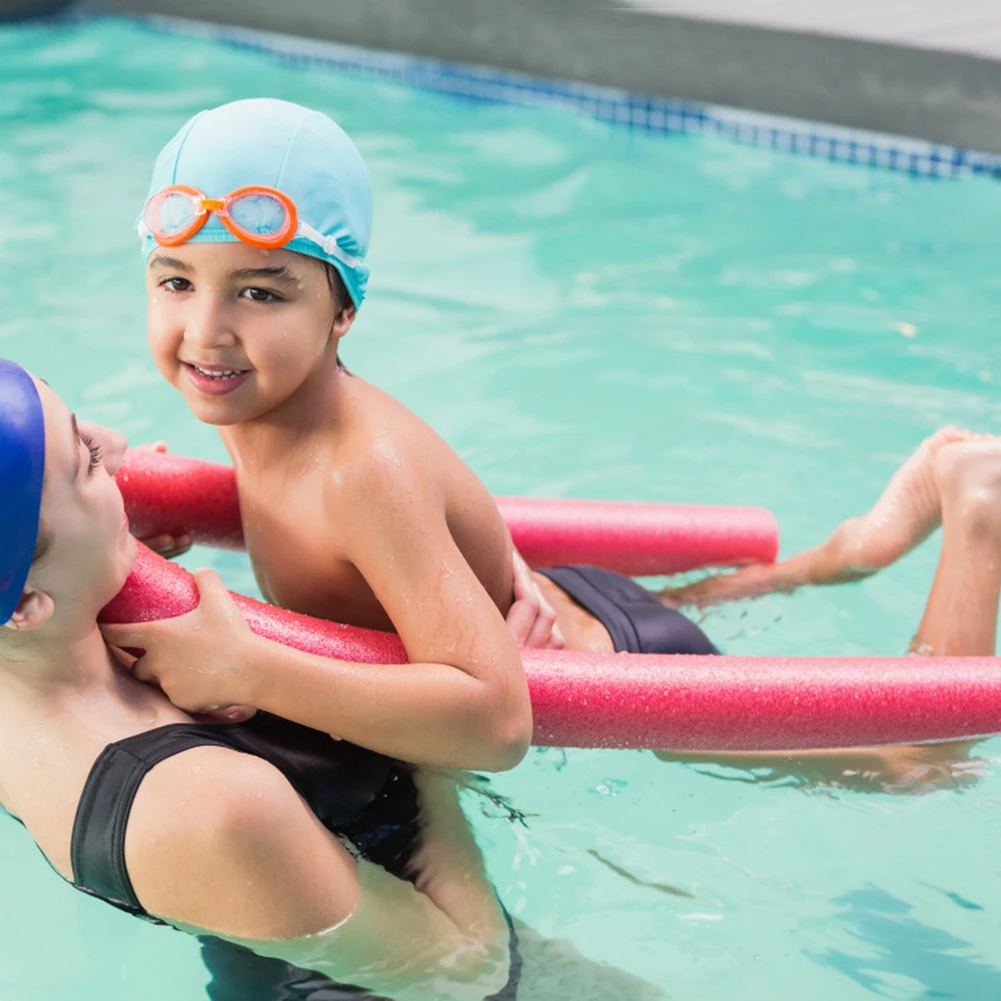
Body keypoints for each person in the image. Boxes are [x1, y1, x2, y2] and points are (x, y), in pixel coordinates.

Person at [104, 100, 1000, 788]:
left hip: (615, 675)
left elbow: (496, 723)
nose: (206, 329)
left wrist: (254, 666)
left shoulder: (359, 469)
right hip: (574, 600)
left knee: (914, 766)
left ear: (343, 309)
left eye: (261, 293)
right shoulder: (269, 414)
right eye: (176, 280)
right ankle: (839, 556)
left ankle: (976, 512)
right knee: (688, 607)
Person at [0, 359, 520, 1000]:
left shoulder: (31, 660)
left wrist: (93, 548)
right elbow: (468, 971)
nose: (117, 447)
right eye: (87, 460)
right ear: (26, 604)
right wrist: (433, 755)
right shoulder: (218, 805)